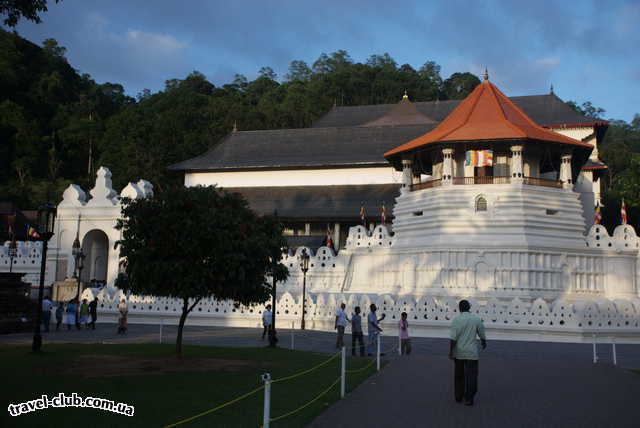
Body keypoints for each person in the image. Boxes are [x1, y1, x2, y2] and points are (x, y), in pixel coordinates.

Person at [449, 300, 487, 406]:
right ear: (469, 308)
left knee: (459, 375)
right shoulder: (476, 319)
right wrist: (484, 342)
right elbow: (482, 333)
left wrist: (450, 351)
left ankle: (458, 396)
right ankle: (469, 398)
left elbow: (453, 338)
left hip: (459, 352)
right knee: (472, 376)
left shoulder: (456, 320)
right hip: (472, 353)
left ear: (459, 308)